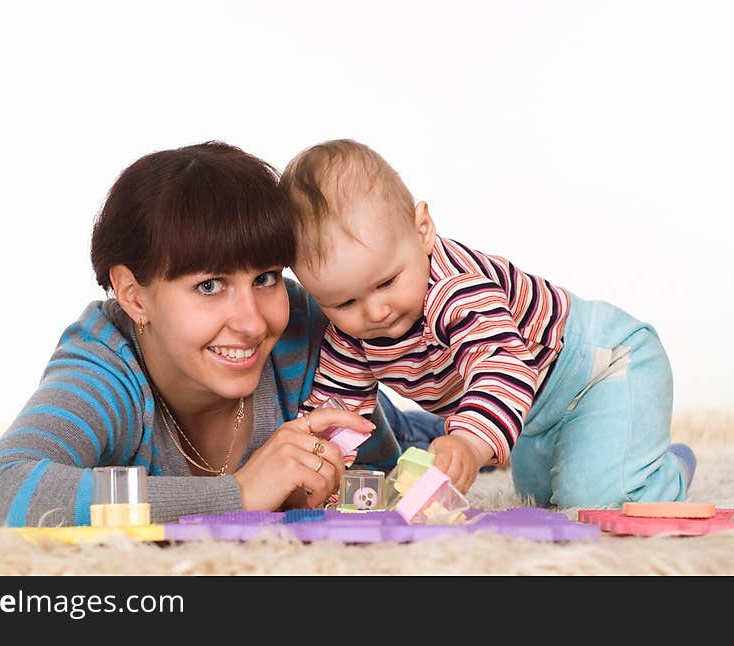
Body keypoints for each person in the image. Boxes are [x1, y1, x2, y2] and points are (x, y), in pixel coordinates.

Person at [0, 141, 407, 528]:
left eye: (266, 277)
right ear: (134, 295)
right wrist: (239, 496)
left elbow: (387, 472)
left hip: (406, 415)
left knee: (433, 431)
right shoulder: (105, 364)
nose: (252, 323)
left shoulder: (303, 326)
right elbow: (0, 493)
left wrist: (314, 489)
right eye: (209, 286)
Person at [280, 138, 696, 509]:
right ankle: (599, 452)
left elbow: (502, 369)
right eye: (344, 302)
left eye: (387, 282)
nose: (375, 312)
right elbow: (336, 414)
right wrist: (320, 472)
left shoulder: (454, 292)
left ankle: (664, 468)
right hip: (531, 410)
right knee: (539, 497)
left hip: (600, 366)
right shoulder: (350, 335)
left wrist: (466, 442)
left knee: (596, 497)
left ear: (422, 230)